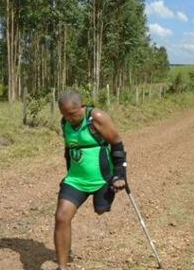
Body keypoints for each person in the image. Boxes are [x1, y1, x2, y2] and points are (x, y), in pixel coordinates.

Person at [54, 90, 126, 270]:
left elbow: (117, 143)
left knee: (101, 211)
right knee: (62, 217)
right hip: (76, 180)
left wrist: (119, 175)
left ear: (82, 107)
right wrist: (69, 173)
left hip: (102, 179)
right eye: (64, 115)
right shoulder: (65, 123)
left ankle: (102, 199)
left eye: (72, 114)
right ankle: (62, 267)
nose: (68, 118)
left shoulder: (97, 118)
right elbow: (68, 150)